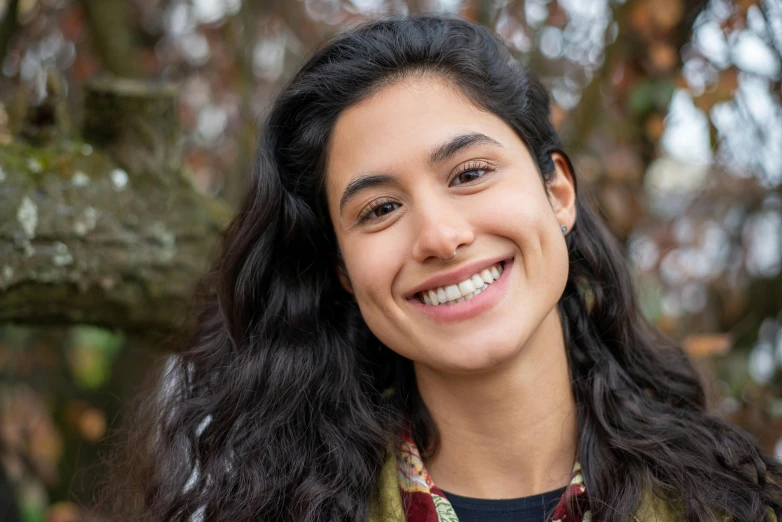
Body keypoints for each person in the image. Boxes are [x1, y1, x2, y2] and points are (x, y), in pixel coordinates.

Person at [112, 14, 782, 522]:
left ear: (558, 194)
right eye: (378, 210)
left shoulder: (731, 503)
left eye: (469, 173)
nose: (438, 235)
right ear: (344, 270)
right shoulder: (270, 510)